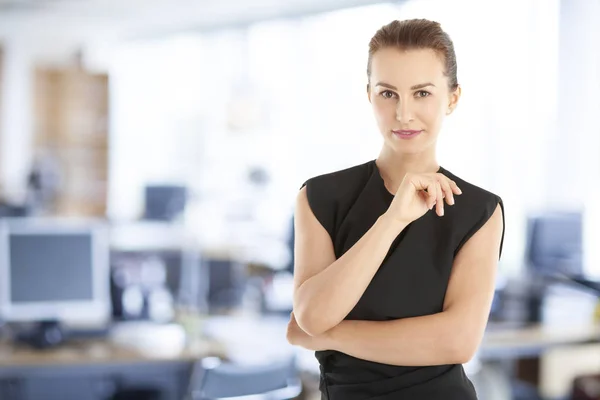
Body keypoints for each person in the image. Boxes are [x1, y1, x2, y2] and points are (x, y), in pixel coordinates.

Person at [286, 18, 505, 400]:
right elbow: (313, 316)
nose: (404, 113)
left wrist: (328, 335)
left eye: (422, 93)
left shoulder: (479, 211)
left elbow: (457, 343)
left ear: (452, 98)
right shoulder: (320, 197)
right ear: (369, 95)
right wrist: (392, 220)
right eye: (388, 94)